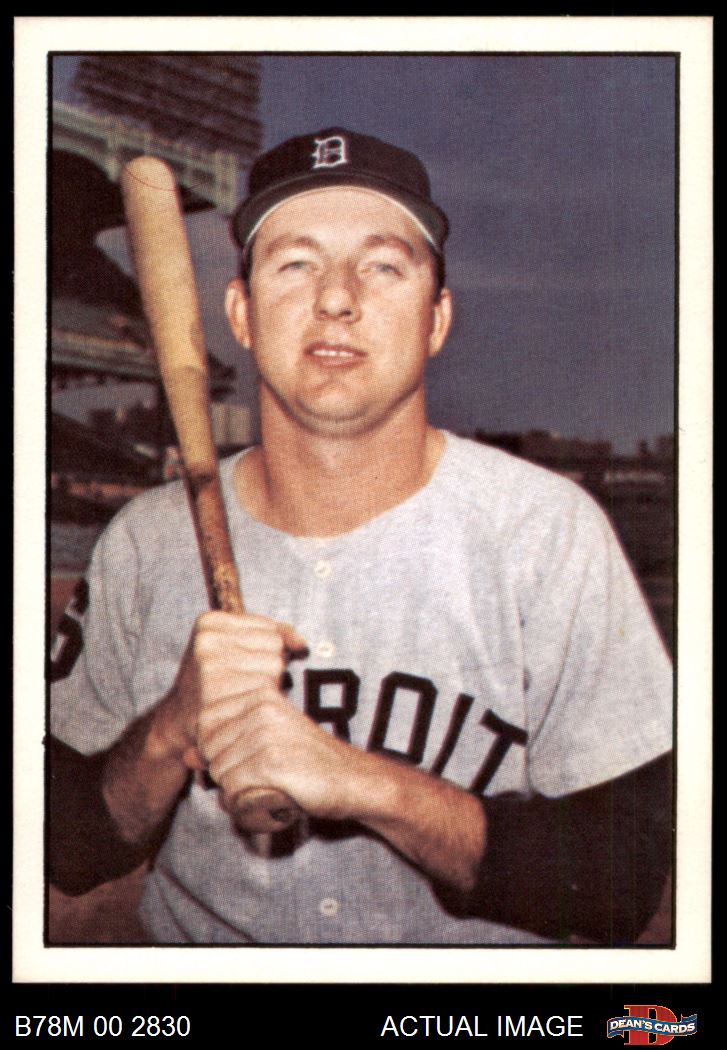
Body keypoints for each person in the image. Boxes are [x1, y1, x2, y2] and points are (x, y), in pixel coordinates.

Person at [49, 127, 673, 945]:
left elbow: (620, 884)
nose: (336, 298)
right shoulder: (144, 541)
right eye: (295, 264)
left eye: (382, 266)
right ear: (240, 313)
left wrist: (365, 786)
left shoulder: (547, 533)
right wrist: (169, 730)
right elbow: (69, 848)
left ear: (436, 319)